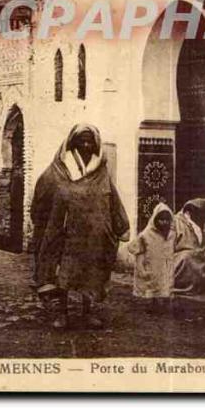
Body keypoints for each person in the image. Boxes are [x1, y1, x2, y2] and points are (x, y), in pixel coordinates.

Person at [30, 124, 130, 329]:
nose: (86, 144)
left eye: (89, 141)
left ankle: (88, 312)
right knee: (63, 275)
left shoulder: (101, 172)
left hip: (94, 236)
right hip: (66, 235)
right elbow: (42, 196)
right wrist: (43, 223)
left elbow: (113, 200)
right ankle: (62, 314)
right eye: (82, 140)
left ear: (95, 144)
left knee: (92, 275)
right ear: (73, 141)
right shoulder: (58, 170)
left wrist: (121, 226)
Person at [128, 202, 175, 314]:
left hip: (166, 263)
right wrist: (140, 263)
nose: (164, 222)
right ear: (155, 219)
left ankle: (164, 304)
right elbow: (135, 247)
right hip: (152, 263)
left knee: (166, 282)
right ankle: (153, 304)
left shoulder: (172, 233)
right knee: (153, 284)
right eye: (161, 219)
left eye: (167, 220)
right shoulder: (147, 234)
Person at [173, 198, 205, 293]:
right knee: (187, 257)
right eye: (199, 214)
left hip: (197, 259)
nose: (202, 217)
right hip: (177, 261)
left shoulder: (198, 225)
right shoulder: (175, 222)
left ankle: (199, 283)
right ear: (189, 211)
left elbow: (204, 245)